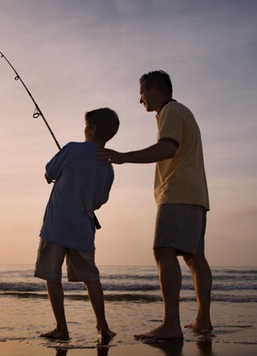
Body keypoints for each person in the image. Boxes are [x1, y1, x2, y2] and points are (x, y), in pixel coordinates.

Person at [98, 71, 213, 340]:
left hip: (177, 193)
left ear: (155, 89)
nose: (140, 100)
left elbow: (167, 149)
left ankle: (171, 324)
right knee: (194, 257)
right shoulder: (184, 112)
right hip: (196, 195)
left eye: (142, 93)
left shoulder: (171, 111)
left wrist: (123, 157)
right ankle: (203, 320)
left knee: (163, 251)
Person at [35, 107, 119, 342]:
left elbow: (49, 172)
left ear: (91, 129)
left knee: (52, 276)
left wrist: (51, 176)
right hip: (83, 229)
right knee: (91, 278)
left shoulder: (72, 149)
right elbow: (99, 201)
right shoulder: (108, 167)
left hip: (56, 226)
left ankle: (61, 328)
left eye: (86, 126)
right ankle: (103, 327)